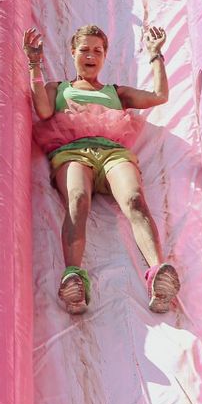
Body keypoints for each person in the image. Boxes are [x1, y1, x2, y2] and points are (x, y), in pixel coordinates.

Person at [23, 24, 180, 315]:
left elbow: (159, 96)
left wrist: (155, 55)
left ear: (105, 56)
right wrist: (34, 63)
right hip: (72, 150)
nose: (90, 56)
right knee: (77, 198)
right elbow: (43, 111)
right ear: (73, 53)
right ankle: (73, 277)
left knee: (134, 199)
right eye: (84, 49)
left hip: (112, 151)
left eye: (97, 51)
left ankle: (158, 273)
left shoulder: (114, 92)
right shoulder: (59, 88)